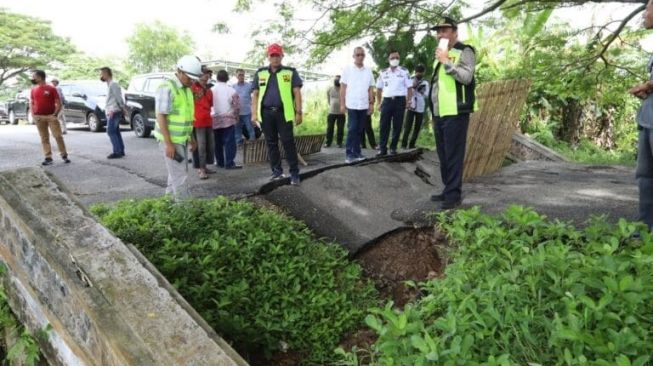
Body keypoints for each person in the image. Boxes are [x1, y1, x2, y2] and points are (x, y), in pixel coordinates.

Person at [428, 16, 478, 209]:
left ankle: (454, 196)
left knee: (453, 154)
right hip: (439, 112)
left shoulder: (464, 51)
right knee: (443, 154)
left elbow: (466, 77)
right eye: (438, 31)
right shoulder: (441, 53)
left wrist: (446, 61)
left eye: (444, 30)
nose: (440, 34)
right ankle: (448, 189)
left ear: (455, 32)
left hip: (456, 111)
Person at [251, 43, 303, 186]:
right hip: (266, 114)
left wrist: (299, 112)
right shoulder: (260, 73)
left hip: (284, 114)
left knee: (288, 143)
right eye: (272, 55)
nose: (275, 58)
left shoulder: (290, 72)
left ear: (282, 56)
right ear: (268, 56)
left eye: (277, 55)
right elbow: (255, 94)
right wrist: (253, 114)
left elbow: (297, 92)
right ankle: (277, 172)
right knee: (271, 143)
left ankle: (294, 174)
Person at [154, 55, 200, 200]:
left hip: (181, 139)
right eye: (189, 77)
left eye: (193, 78)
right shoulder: (167, 87)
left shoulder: (186, 89)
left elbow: (187, 117)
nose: (192, 81)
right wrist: (169, 144)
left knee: (174, 175)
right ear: (179, 71)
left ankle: (166, 206)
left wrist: (191, 138)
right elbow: (161, 116)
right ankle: (185, 214)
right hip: (171, 141)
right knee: (180, 177)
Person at [628, 0, 653, 231]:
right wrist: (647, 90)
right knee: (645, 176)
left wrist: (647, 84)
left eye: (647, 9)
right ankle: (645, 232)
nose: (644, 14)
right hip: (648, 119)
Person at [340, 46, 375, 164]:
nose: (360, 57)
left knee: (360, 130)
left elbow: (371, 89)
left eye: (362, 54)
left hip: (363, 105)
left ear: (364, 56)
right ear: (353, 56)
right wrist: (342, 104)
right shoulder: (347, 69)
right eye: (358, 54)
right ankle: (349, 154)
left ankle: (357, 152)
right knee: (352, 129)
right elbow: (343, 88)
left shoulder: (368, 70)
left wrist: (371, 104)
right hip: (352, 104)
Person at [376, 50, 413, 156]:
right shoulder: (383, 72)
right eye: (392, 58)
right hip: (386, 101)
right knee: (384, 126)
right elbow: (378, 89)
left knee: (397, 126)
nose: (395, 60)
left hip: (400, 101)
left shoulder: (404, 71)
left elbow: (409, 88)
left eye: (397, 58)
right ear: (388, 60)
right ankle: (382, 149)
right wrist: (378, 102)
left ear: (399, 59)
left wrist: (409, 101)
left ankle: (393, 148)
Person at [31, 70, 69, 166]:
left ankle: (64, 155)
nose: (33, 79)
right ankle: (48, 157)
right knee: (44, 138)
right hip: (39, 117)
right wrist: (33, 115)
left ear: (40, 77)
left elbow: (58, 103)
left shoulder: (51, 88)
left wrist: (55, 115)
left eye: (34, 77)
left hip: (51, 116)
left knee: (58, 136)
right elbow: (32, 103)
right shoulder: (33, 89)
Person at [211, 70, 242, 169]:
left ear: (217, 78)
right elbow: (236, 106)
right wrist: (236, 116)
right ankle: (229, 163)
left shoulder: (211, 90)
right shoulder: (232, 90)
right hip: (228, 119)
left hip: (214, 119)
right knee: (229, 142)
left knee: (217, 142)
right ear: (227, 78)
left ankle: (219, 162)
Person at [192, 65, 215, 179]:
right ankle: (200, 169)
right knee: (200, 146)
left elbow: (210, 104)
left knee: (209, 146)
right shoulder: (193, 87)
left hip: (207, 120)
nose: (206, 76)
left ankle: (204, 167)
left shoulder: (209, 90)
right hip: (197, 121)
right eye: (204, 74)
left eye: (207, 74)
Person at [100, 67, 127, 159]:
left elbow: (118, 97)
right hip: (112, 110)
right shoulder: (110, 85)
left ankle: (117, 151)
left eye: (102, 74)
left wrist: (123, 108)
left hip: (114, 111)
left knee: (111, 131)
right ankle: (120, 150)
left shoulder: (113, 84)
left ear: (106, 74)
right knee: (115, 131)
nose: (101, 76)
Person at [401, 64, 429, 149]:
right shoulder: (410, 80)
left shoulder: (425, 83)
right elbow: (406, 92)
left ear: (423, 73)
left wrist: (421, 89)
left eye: (421, 72)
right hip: (411, 106)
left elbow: (427, 95)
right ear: (415, 72)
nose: (419, 74)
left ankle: (412, 145)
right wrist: (413, 87)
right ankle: (403, 145)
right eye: (418, 72)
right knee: (407, 127)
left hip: (420, 107)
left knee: (417, 127)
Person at [233, 68, 256, 145]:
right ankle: (238, 142)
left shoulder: (249, 86)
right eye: (239, 75)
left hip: (247, 112)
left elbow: (256, 95)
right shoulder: (233, 87)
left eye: (243, 75)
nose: (241, 76)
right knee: (237, 128)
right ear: (236, 76)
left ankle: (252, 141)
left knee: (250, 127)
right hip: (237, 112)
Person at [326, 75, 345, 147]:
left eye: (338, 80)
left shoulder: (343, 89)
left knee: (340, 129)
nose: (337, 81)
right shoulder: (330, 89)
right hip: (331, 112)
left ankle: (339, 143)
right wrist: (331, 105)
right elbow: (328, 99)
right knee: (330, 128)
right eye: (336, 80)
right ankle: (328, 143)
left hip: (341, 112)